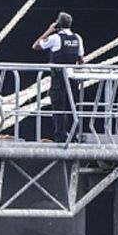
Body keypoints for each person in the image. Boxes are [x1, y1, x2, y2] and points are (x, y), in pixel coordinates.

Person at [32, 11, 85, 143]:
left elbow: (36, 45)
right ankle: (73, 136)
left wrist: (49, 30)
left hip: (59, 79)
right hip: (72, 78)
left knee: (58, 107)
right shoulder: (77, 38)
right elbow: (81, 60)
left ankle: (61, 138)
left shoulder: (55, 38)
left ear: (58, 24)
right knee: (72, 107)